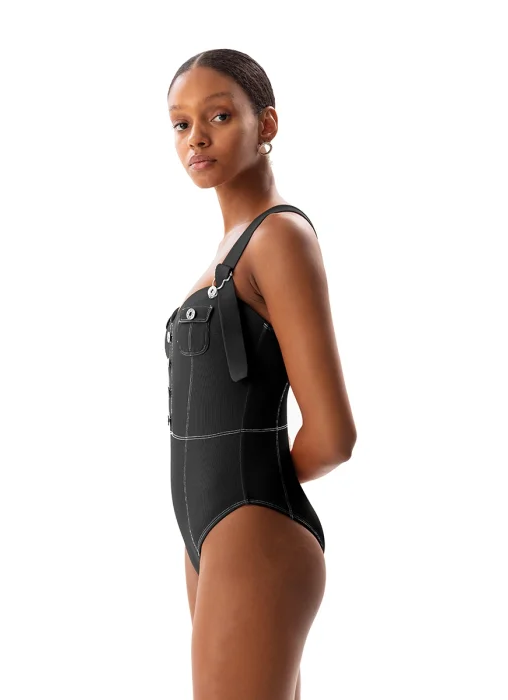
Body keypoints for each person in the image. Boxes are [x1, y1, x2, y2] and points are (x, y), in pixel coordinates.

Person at [164, 48, 357, 700]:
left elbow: (332, 436)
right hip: (212, 537)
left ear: (266, 124)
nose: (196, 137)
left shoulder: (279, 238)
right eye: (182, 123)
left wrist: (255, 489)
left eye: (218, 116)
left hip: (250, 532)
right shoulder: (227, 251)